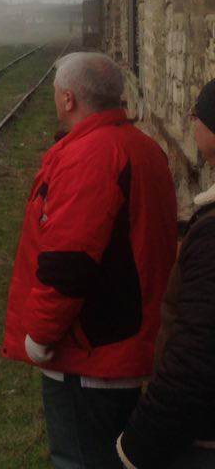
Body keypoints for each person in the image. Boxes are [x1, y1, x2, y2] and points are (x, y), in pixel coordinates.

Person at [1, 52, 177, 469]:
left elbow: (68, 262)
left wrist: (39, 336)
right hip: (125, 341)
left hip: (88, 358)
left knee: (80, 458)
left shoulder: (91, 156)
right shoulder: (143, 147)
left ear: (67, 99)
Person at [115, 79, 215, 469]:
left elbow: (196, 358)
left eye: (197, 118)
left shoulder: (211, 236)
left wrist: (137, 445)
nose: (191, 127)